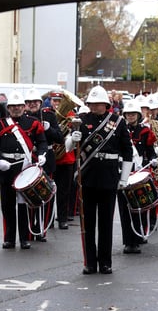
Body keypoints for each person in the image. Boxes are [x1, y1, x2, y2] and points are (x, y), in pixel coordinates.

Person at [70, 85, 133, 275]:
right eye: (92, 104)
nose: (94, 107)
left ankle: (105, 262)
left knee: (105, 223)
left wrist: (124, 178)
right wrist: (73, 139)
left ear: (106, 104)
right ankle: (89, 262)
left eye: (98, 104)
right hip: (87, 176)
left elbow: (127, 151)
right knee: (87, 222)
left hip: (109, 176)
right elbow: (67, 147)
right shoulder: (81, 120)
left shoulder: (118, 122)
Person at [0, 90, 48, 250]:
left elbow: (42, 142)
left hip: (25, 168)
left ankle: (24, 238)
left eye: (19, 105)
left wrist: (42, 155)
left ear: (24, 106)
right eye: (13, 106)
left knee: (23, 205)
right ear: (8, 108)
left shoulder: (33, 123)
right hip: (6, 168)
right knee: (7, 205)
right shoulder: (0, 124)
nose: (16, 109)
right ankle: (9, 239)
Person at [118, 100, 158, 254]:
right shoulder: (118, 129)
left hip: (139, 172)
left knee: (141, 207)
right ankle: (129, 242)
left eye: (133, 114)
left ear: (137, 115)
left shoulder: (145, 132)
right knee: (125, 208)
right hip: (123, 172)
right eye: (128, 114)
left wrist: (153, 159)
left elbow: (150, 151)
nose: (130, 116)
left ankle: (139, 234)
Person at [24, 88, 64, 241]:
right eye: (29, 102)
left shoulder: (49, 115)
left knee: (46, 196)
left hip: (46, 158)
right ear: (25, 104)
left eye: (35, 102)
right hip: (29, 159)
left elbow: (59, 138)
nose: (32, 104)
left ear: (40, 103)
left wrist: (49, 129)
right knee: (29, 196)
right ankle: (29, 230)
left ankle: (42, 229)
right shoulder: (23, 117)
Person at [50, 91, 78, 230]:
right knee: (48, 191)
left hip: (66, 158)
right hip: (50, 159)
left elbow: (75, 134)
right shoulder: (47, 115)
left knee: (64, 191)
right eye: (54, 101)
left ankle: (62, 218)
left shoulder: (71, 116)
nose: (57, 104)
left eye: (59, 101)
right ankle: (48, 219)